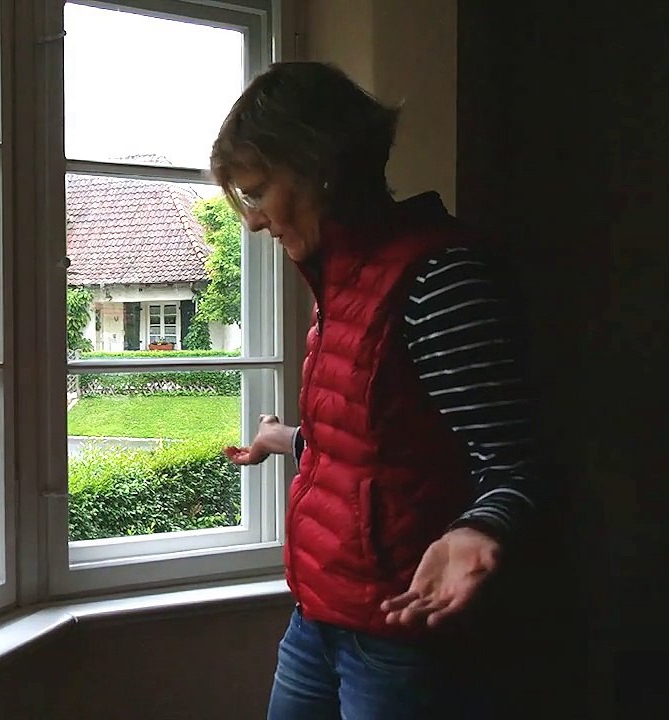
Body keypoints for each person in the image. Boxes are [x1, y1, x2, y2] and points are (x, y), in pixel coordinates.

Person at [213, 62, 541, 719]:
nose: (252, 222)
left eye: (257, 192)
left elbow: (517, 459)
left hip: (398, 638)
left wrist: (479, 528)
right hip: (317, 617)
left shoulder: (437, 278)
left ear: (318, 168)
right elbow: (382, 449)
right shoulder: (342, 281)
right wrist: (286, 439)